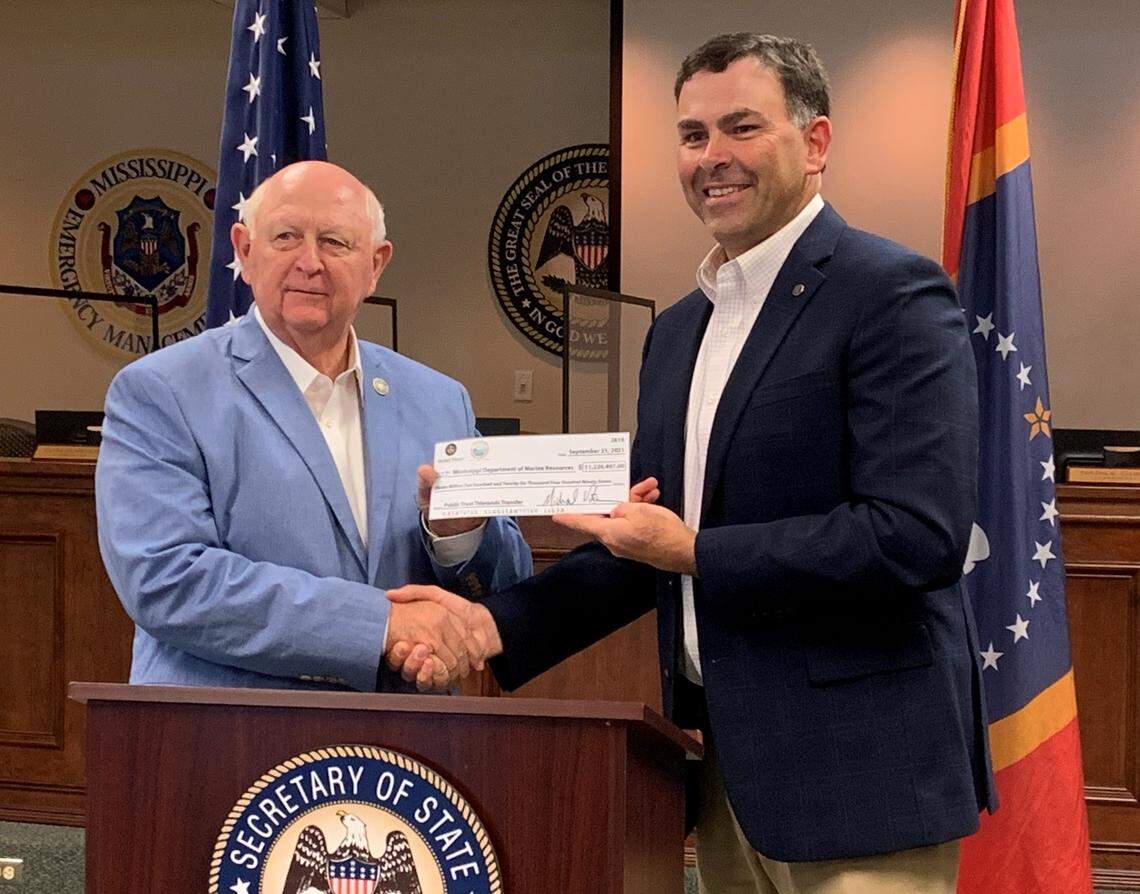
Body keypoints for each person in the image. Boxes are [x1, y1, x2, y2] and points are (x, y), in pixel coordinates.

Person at [387, 33, 995, 893]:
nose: (713, 159)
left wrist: (694, 554)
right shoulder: (678, 331)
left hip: (865, 777)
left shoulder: (890, 294)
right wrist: (491, 627)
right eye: (693, 135)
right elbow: (644, 546)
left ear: (815, 143)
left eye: (742, 128)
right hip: (722, 779)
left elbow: (916, 536)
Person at [96, 160, 531, 693]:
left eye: (335, 242)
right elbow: (166, 580)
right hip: (226, 742)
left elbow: (505, 587)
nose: (310, 262)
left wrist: (458, 539)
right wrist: (380, 624)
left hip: (407, 751)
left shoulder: (441, 401)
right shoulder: (160, 392)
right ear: (244, 250)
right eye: (285, 237)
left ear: (376, 266)